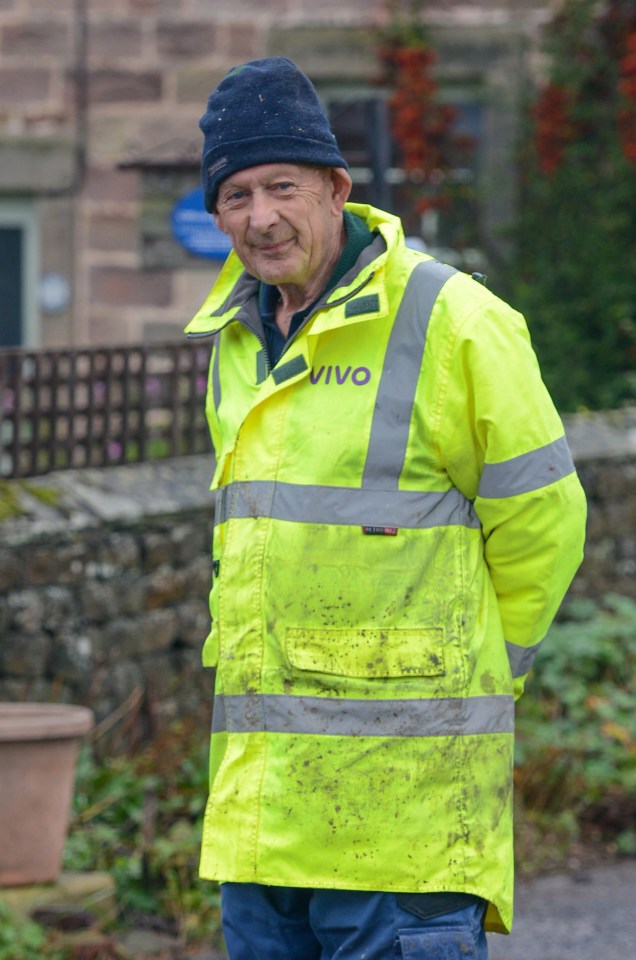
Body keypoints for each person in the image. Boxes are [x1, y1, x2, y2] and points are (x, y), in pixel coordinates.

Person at [185, 56, 587, 960]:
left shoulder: (454, 321)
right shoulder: (237, 340)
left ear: (336, 187)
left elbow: (546, 524)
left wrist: (481, 670)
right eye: (237, 195)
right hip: (264, 829)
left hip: (406, 824)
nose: (260, 217)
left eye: (281, 186)